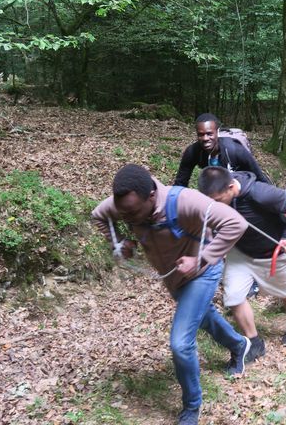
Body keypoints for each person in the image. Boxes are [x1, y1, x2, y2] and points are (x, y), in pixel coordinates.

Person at [91, 164, 251, 425]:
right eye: (123, 213)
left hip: (202, 272)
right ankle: (238, 344)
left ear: (151, 196)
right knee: (203, 316)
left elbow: (236, 223)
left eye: (132, 213)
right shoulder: (124, 204)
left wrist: (202, 259)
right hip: (174, 277)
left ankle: (192, 406)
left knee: (180, 342)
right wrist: (118, 242)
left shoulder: (186, 201)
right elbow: (99, 215)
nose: (127, 218)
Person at [197, 166, 286, 363]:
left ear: (231, 187)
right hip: (240, 252)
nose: (215, 205)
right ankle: (254, 342)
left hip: (271, 253)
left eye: (218, 200)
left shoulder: (260, 193)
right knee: (234, 297)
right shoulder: (216, 196)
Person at [174, 113, 270, 187]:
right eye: (201, 135)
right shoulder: (193, 152)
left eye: (209, 134)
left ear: (217, 132)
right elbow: (180, 182)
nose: (205, 138)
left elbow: (260, 177)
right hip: (215, 187)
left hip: (240, 186)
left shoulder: (236, 150)